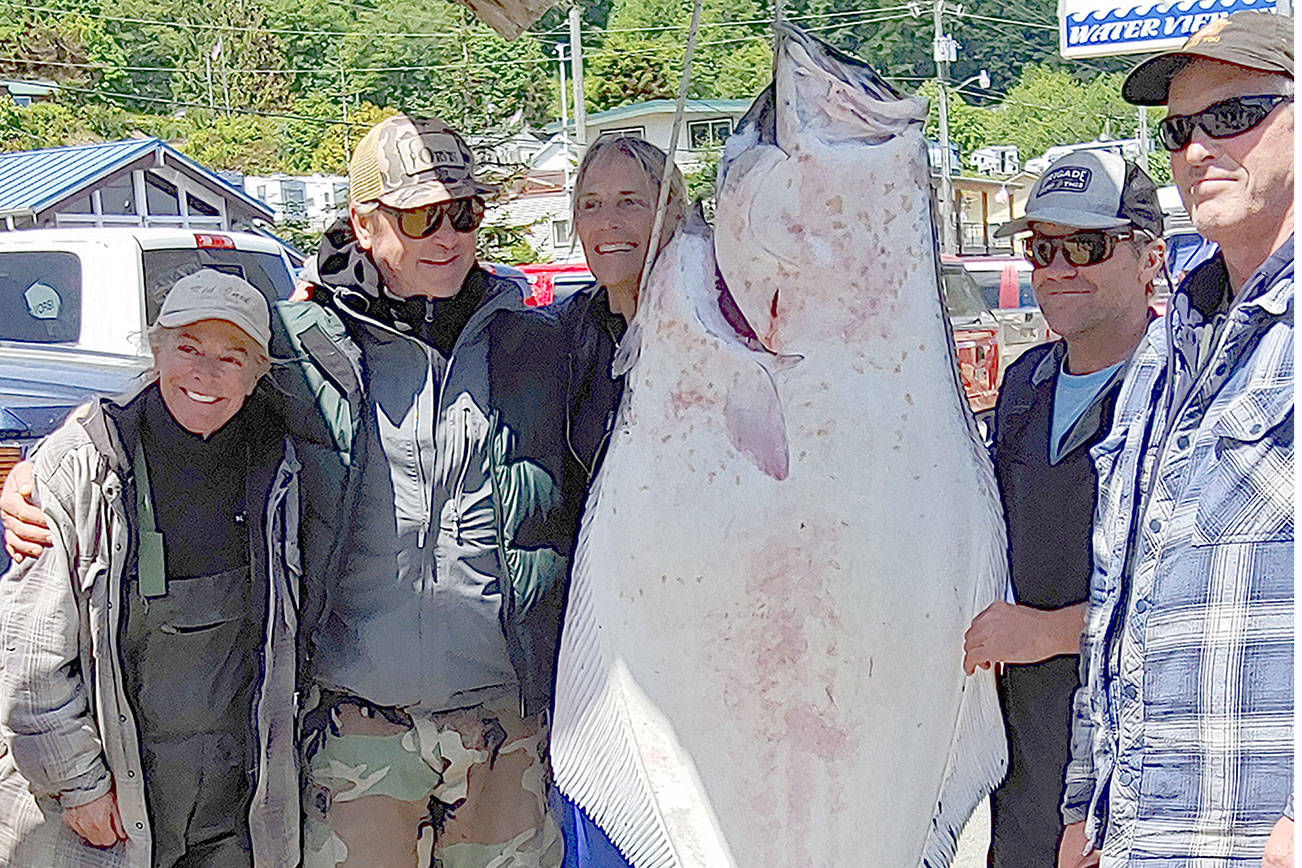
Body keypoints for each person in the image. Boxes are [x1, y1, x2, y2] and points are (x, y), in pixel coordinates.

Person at [2, 114, 589, 868]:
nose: (447, 236)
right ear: (364, 223)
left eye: (464, 213)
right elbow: (180, 396)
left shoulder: (538, 343)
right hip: (355, 728)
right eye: (419, 217)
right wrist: (44, 469)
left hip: (506, 723)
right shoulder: (297, 343)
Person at [1057, 11, 1294, 867]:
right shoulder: (1167, 344)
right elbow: (1121, 593)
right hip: (1140, 839)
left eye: (1233, 116)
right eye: (1178, 130)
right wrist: (1087, 803)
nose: (1197, 151)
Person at [0, 271, 300, 867]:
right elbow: (29, 663)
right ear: (155, 349)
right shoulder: (83, 466)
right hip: (106, 805)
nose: (205, 374)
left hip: (235, 806)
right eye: (187, 348)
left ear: (259, 370)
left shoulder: (286, 467)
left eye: (230, 356)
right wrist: (76, 784)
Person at [961, 152, 1166, 868]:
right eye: (1041, 248)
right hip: (1022, 772)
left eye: (1086, 246)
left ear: (1150, 259)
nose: (1058, 268)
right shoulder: (1024, 382)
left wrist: (1048, 632)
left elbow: (1198, 602)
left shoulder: (1187, 388)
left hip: (1131, 774)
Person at [554, 135, 688, 868]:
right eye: (592, 205)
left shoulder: (723, 327)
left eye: (631, 202)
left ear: (672, 212)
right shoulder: (564, 335)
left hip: (699, 647)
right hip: (597, 651)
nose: (610, 222)